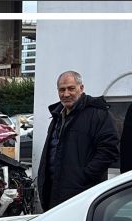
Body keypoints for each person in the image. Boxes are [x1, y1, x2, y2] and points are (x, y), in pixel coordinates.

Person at [37, 70, 119, 212]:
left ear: (81, 88)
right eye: (62, 90)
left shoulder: (98, 114)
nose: (66, 94)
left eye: (71, 88)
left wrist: (84, 177)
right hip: (54, 193)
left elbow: (109, 150)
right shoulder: (57, 116)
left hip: (82, 194)